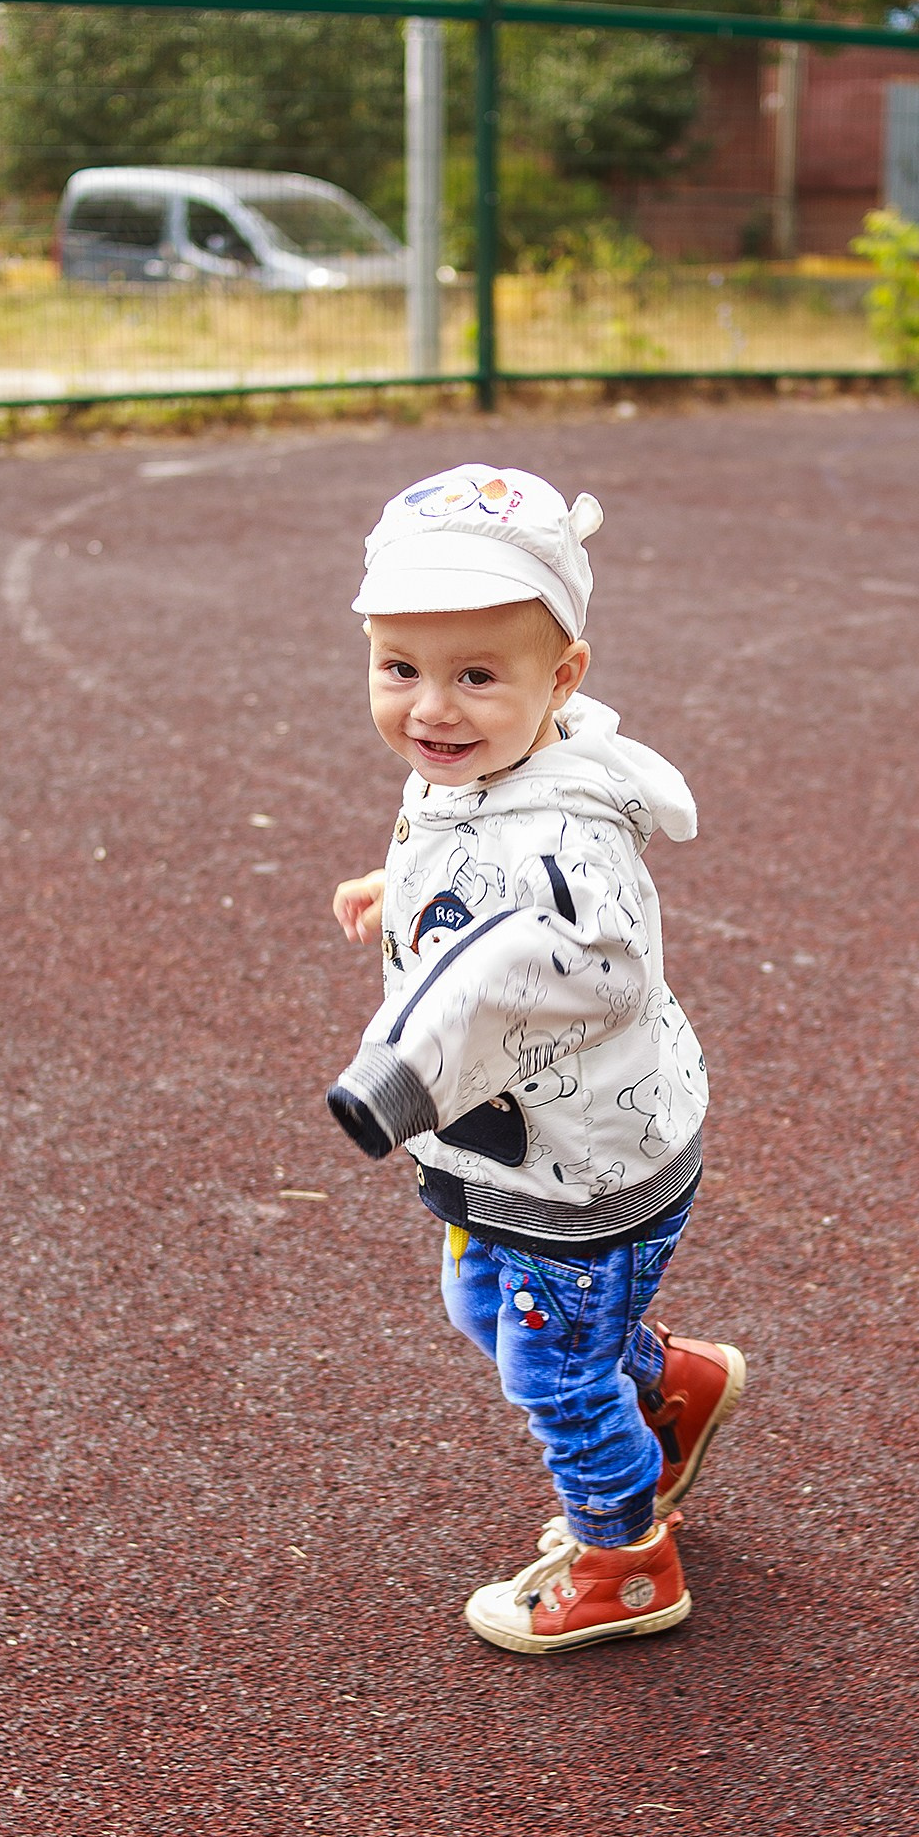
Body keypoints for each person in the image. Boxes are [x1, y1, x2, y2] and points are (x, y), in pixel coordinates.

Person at [324, 460, 744, 1653]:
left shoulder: (566, 846)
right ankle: (666, 1388)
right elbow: (459, 861)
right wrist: (400, 887)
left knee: (550, 1372)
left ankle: (623, 1560)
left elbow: (564, 954)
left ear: (560, 678)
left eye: (473, 677)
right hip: (527, 1151)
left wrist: (404, 1058)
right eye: (398, 669)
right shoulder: (478, 776)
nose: (429, 711)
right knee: (480, 1300)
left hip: (585, 1162)